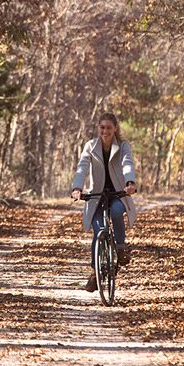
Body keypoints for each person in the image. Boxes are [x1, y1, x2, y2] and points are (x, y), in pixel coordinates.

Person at [70, 112, 137, 292]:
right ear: (98, 128)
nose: (105, 131)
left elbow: (127, 163)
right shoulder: (91, 146)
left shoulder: (123, 146)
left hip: (117, 193)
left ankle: (121, 248)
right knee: (99, 230)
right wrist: (77, 188)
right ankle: (94, 272)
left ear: (115, 129)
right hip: (97, 195)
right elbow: (82, 167)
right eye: (102, 127)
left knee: (116, 212)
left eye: (108, 127)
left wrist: (130, 182)